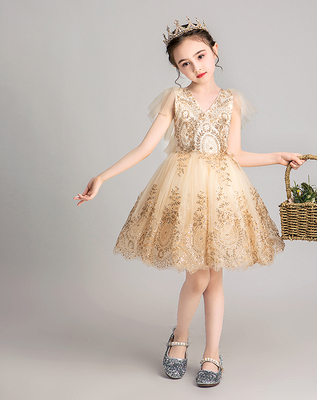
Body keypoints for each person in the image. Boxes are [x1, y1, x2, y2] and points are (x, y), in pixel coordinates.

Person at [74, 17, 305, 387]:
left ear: (215, 51)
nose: (196, 67)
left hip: (223, 192)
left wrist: (277, 157)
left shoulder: (231, 100)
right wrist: (102, 176)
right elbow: (146, 147)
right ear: (177, 69)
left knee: (214, 276)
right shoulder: (175, 98)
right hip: (184, 192)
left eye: (200, 56)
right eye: (185, 63)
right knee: (198, 274)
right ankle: (179, 339)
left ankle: (212, 352)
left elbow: (235, 154)